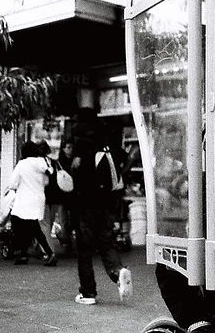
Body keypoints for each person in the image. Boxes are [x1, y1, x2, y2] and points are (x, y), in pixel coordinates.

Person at [70, 107, 132, 305]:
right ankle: (118, 271)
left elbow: (77, 171)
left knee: (84, 249)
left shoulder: (82, 141)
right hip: (106, 202)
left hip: (86, 203)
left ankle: (88, 293)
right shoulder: (107, 140)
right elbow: (125, 160)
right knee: (106, 241)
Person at [7, 140, 57, 266]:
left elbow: (13, 183)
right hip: (39, 199)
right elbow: (47, 180)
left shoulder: (22, 164)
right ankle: (24, 254)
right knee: (30, 226)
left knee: (26, 225)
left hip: (24, 200)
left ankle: (49, 253)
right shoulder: (41, 163)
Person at [41, 139, 74, 255]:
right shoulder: (56, 162)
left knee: (48, 223)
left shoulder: (46, 162)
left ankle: (46, 247)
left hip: (53, 197)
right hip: (57, 196)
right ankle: (63, 240)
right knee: (58, 221)